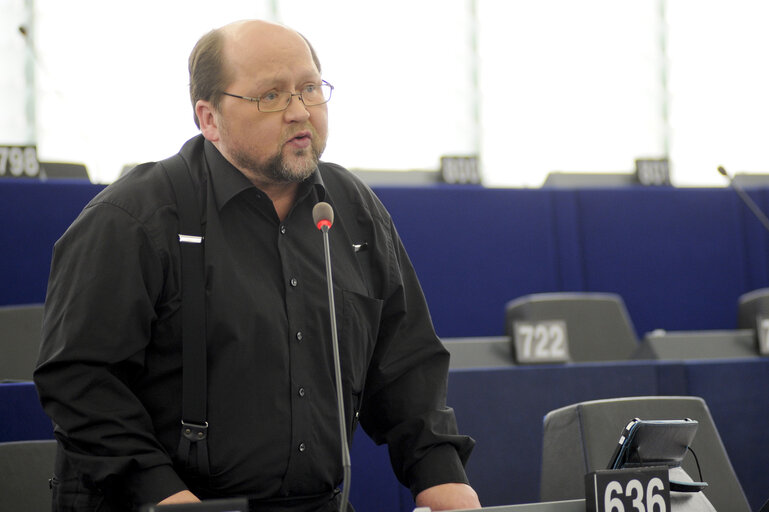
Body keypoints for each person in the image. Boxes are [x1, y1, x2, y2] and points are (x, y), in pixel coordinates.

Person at [34, 19, 481, 512]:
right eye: (271, 96)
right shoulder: (132, 220)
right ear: (209, 118)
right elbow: (80, 381)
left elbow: (405, 363)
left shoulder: (353, 210)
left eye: (310, 89)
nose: (299, 112)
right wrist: (161, 494)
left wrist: (442, 477)